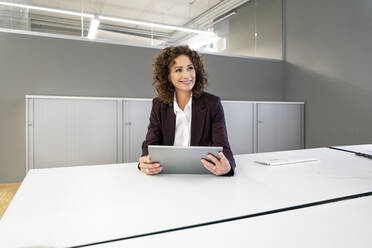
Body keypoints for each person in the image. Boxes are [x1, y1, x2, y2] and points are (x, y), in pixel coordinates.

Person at [138, 45, 236, 176]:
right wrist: (144, 162)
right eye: (178, 70)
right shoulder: (159, 105)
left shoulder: (212, 104)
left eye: (190, 68)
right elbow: (150, 144)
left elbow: (224, 149)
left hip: (201, 175)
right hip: (167, 175)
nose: (187, 75)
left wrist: (227, 167)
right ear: (167, 76)